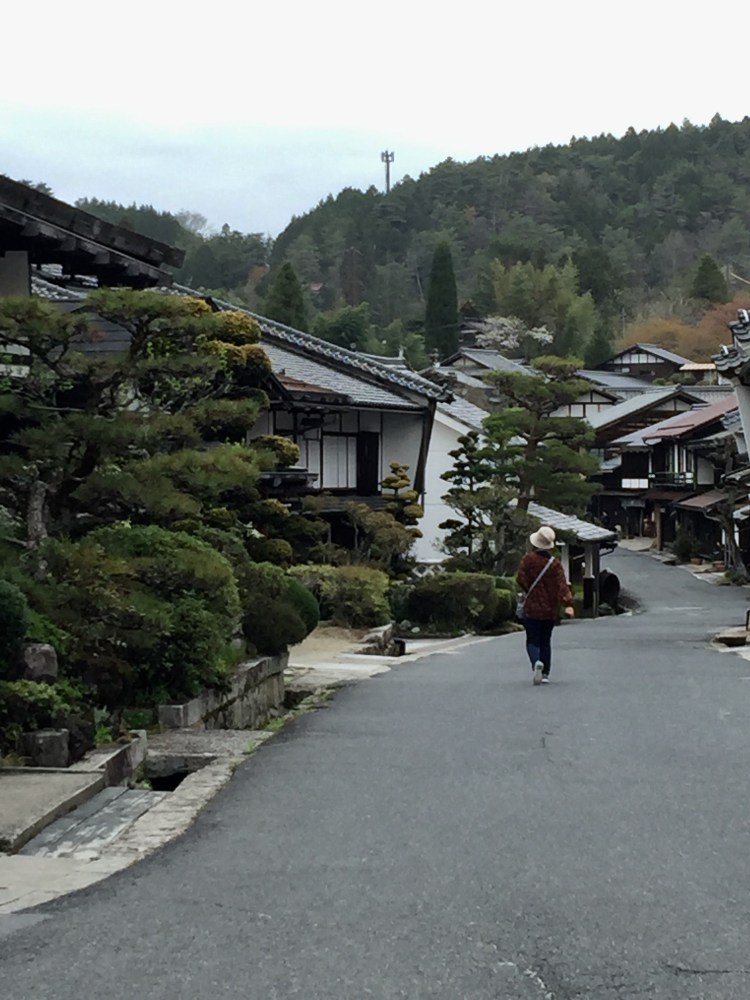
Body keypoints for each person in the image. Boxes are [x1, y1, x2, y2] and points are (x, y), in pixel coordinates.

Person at [516, 525, 574, 686]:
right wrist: (568, 604)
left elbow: (520, 579)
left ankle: (536, 662)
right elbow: (562, 585)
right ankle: (546, 673)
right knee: (545, 640)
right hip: (550, 609)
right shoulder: (555, 564)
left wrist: (530, 590)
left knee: (532, 639)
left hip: (532, 607)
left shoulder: (528, 559)